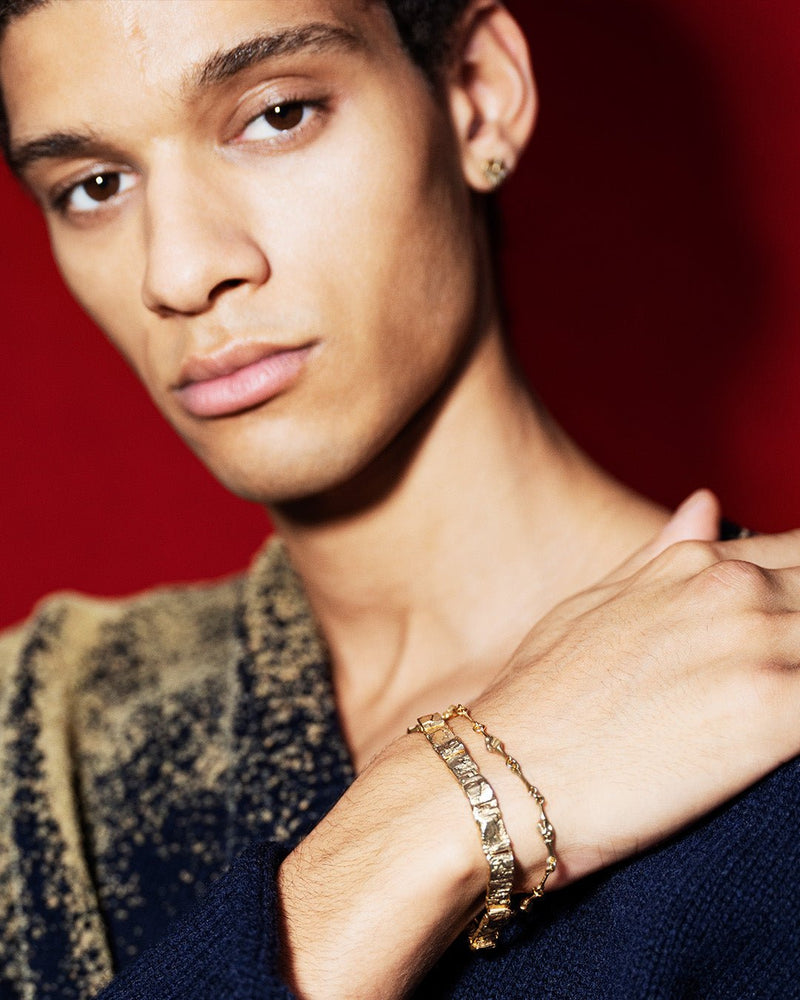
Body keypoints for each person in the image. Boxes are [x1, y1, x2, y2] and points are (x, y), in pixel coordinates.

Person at [0, 1, 798, 998]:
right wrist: (437, 812)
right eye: (94, 185)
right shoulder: (39, 745)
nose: (181, 270)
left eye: (277, 115)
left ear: (477, 97)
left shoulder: (776, 705)